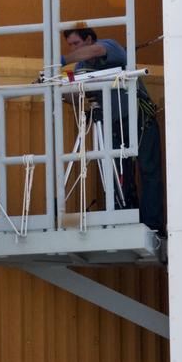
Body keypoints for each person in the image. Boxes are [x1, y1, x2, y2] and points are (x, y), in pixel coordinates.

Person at [61, 27, 165, 234]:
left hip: (139, 118)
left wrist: (62, 60)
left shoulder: (110, 47)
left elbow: (93, 51)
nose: (73, 48)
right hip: (112, 124)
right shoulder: (81, 67)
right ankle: (125, 219)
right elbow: (77, 98)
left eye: (75, 43)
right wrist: (63, 91)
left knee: (148, 171)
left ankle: (152, 224)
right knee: (119, 174)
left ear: (88, 39)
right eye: (69, 45)